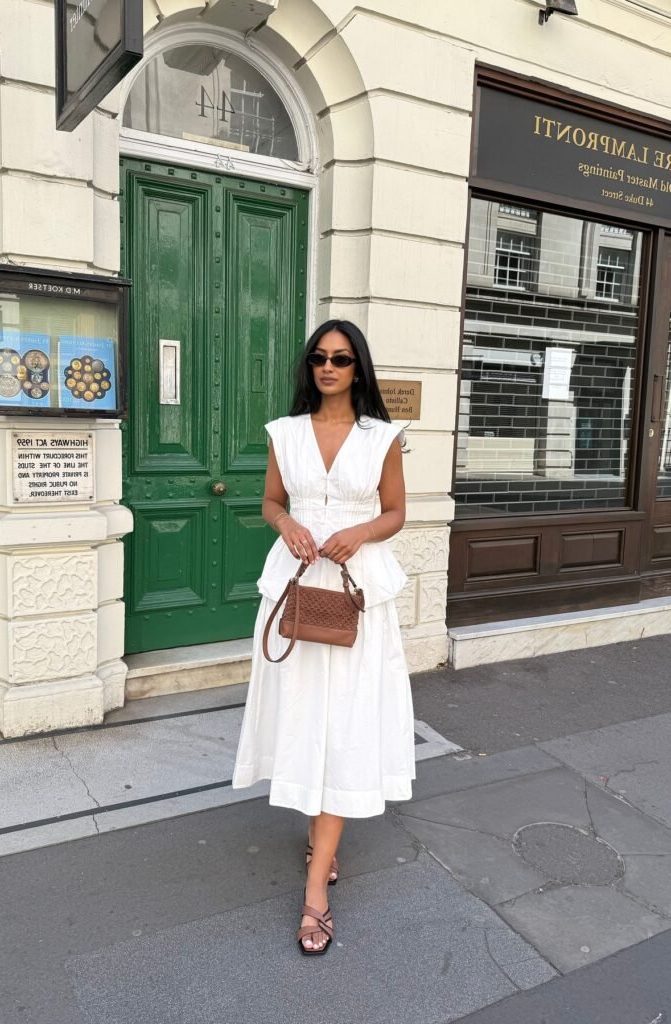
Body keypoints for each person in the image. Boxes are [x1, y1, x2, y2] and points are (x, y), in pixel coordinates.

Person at [231, 319, 416, 955]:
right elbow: (270, 502)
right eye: (319, 358)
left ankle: (317, 886)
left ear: (358, 367)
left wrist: (360, 532)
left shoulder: (382, 437)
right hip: (296, 589)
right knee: (308, 717)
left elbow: (396, 511)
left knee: (346, 723)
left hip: (358, 594)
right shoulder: (284, 434)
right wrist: (287, 525)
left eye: (340, 358)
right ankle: (321, 836)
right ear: (309, 367)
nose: (329, 367)